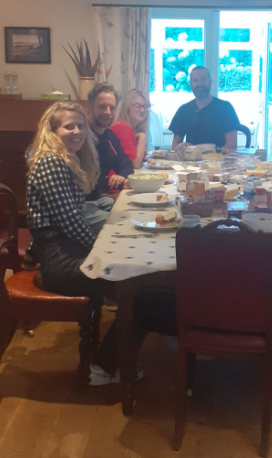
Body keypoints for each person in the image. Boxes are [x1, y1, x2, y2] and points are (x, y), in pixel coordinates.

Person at [26, 102, 169, 385]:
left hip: (67, 252)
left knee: (140, 280)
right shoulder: (50, 163)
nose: (77, 131)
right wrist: (104, 251)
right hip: (61, 260)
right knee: (137, 289)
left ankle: (108, 361)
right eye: (69, 126)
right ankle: (104, 368)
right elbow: (70, 224)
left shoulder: (66, 159)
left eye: (80, 125)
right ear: (52, 131)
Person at [169, 66, 240, 151]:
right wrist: (182, 150)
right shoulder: (183, 110)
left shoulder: (225, 108)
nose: (199, 84)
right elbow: (175, 145)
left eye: (203, 79)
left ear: (210, 81)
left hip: (219, 162)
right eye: (195, 80)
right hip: (190, 162)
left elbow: (232, 145)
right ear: (190, 84)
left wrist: (206, 154)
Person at [86, 83, 134, 201]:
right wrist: (113, 183)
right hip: (85, 203)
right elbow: (85, 180)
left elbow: (126, 165)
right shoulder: (81, 137)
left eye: (112, 108)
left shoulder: (109, 135)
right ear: (91, 108)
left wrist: (121, 177)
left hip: (101, 197)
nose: (108, 112)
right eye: (102, 106)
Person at [110, 89, 149, 169]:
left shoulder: (132, 129)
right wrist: (143, 137)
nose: (142, 110)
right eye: (138, 106)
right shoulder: (121, 128)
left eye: (145, 107)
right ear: (127, 108)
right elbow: (135, 164)